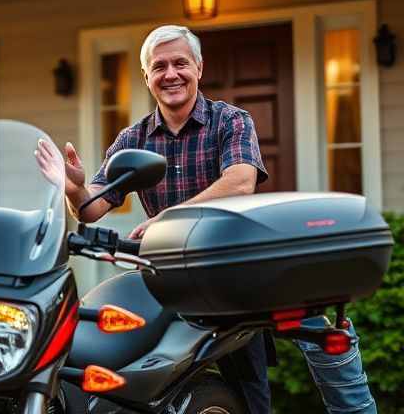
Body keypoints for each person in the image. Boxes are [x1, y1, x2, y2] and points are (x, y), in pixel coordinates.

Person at [42, 24, 376, 413]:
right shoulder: (133, 138)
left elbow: (240, 182)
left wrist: (168, 217)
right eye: (159, 66)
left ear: (198, 67)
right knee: (128, 367)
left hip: (230, 272)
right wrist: (75, 189)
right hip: (166, 274)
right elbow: (92, 210)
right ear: (146, 76)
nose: (171, 74)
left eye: (180, 63)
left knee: (287, 355)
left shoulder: (230, 121)